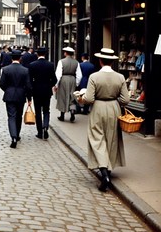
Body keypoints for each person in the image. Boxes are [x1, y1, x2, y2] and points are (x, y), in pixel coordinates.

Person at [77, 48, 130, 192]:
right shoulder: (120, 77)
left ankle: (104, 172)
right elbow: (126, 99)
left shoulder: (94, 77)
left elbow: (88, 98)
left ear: (100, 61)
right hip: (114, 108)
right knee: (112, 138)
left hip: (98, 108)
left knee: (97, 138)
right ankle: (110, 170)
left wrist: (80, 97)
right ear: (112, 61)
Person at [0, 49, 32, 148]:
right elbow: (28, 86)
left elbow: (1, 83)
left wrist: (7, 90)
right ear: (20, 58)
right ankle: (17, 135)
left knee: (11, 116)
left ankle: (13, 137)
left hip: (9, 96)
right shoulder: (25, 70)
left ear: (11, 58)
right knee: (19, 116)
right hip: (21, 96)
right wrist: (29, 98)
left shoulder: (6, 69)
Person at [28, 47, 57, 140]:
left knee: (38, 111)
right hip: (47, 91)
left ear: (37, 54)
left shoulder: (32, 65)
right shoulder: (50, 65)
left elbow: (29, 81)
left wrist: (31, 90)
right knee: (46, 110)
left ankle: (40, 132)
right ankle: (45, 126)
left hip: (36, 91)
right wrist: (49, 85)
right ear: (45, 54)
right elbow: (54, 79)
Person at [54, 46, 82, 122]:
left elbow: (58, 74)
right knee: (72, 97)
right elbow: (79, 75)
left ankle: (62, 115)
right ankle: (72, 112)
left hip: (63, 79)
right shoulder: (76, 62)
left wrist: (56, 85)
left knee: (62, 96)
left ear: (66, 53)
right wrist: (76, 83)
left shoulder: (61, 61)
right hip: (72, 79)